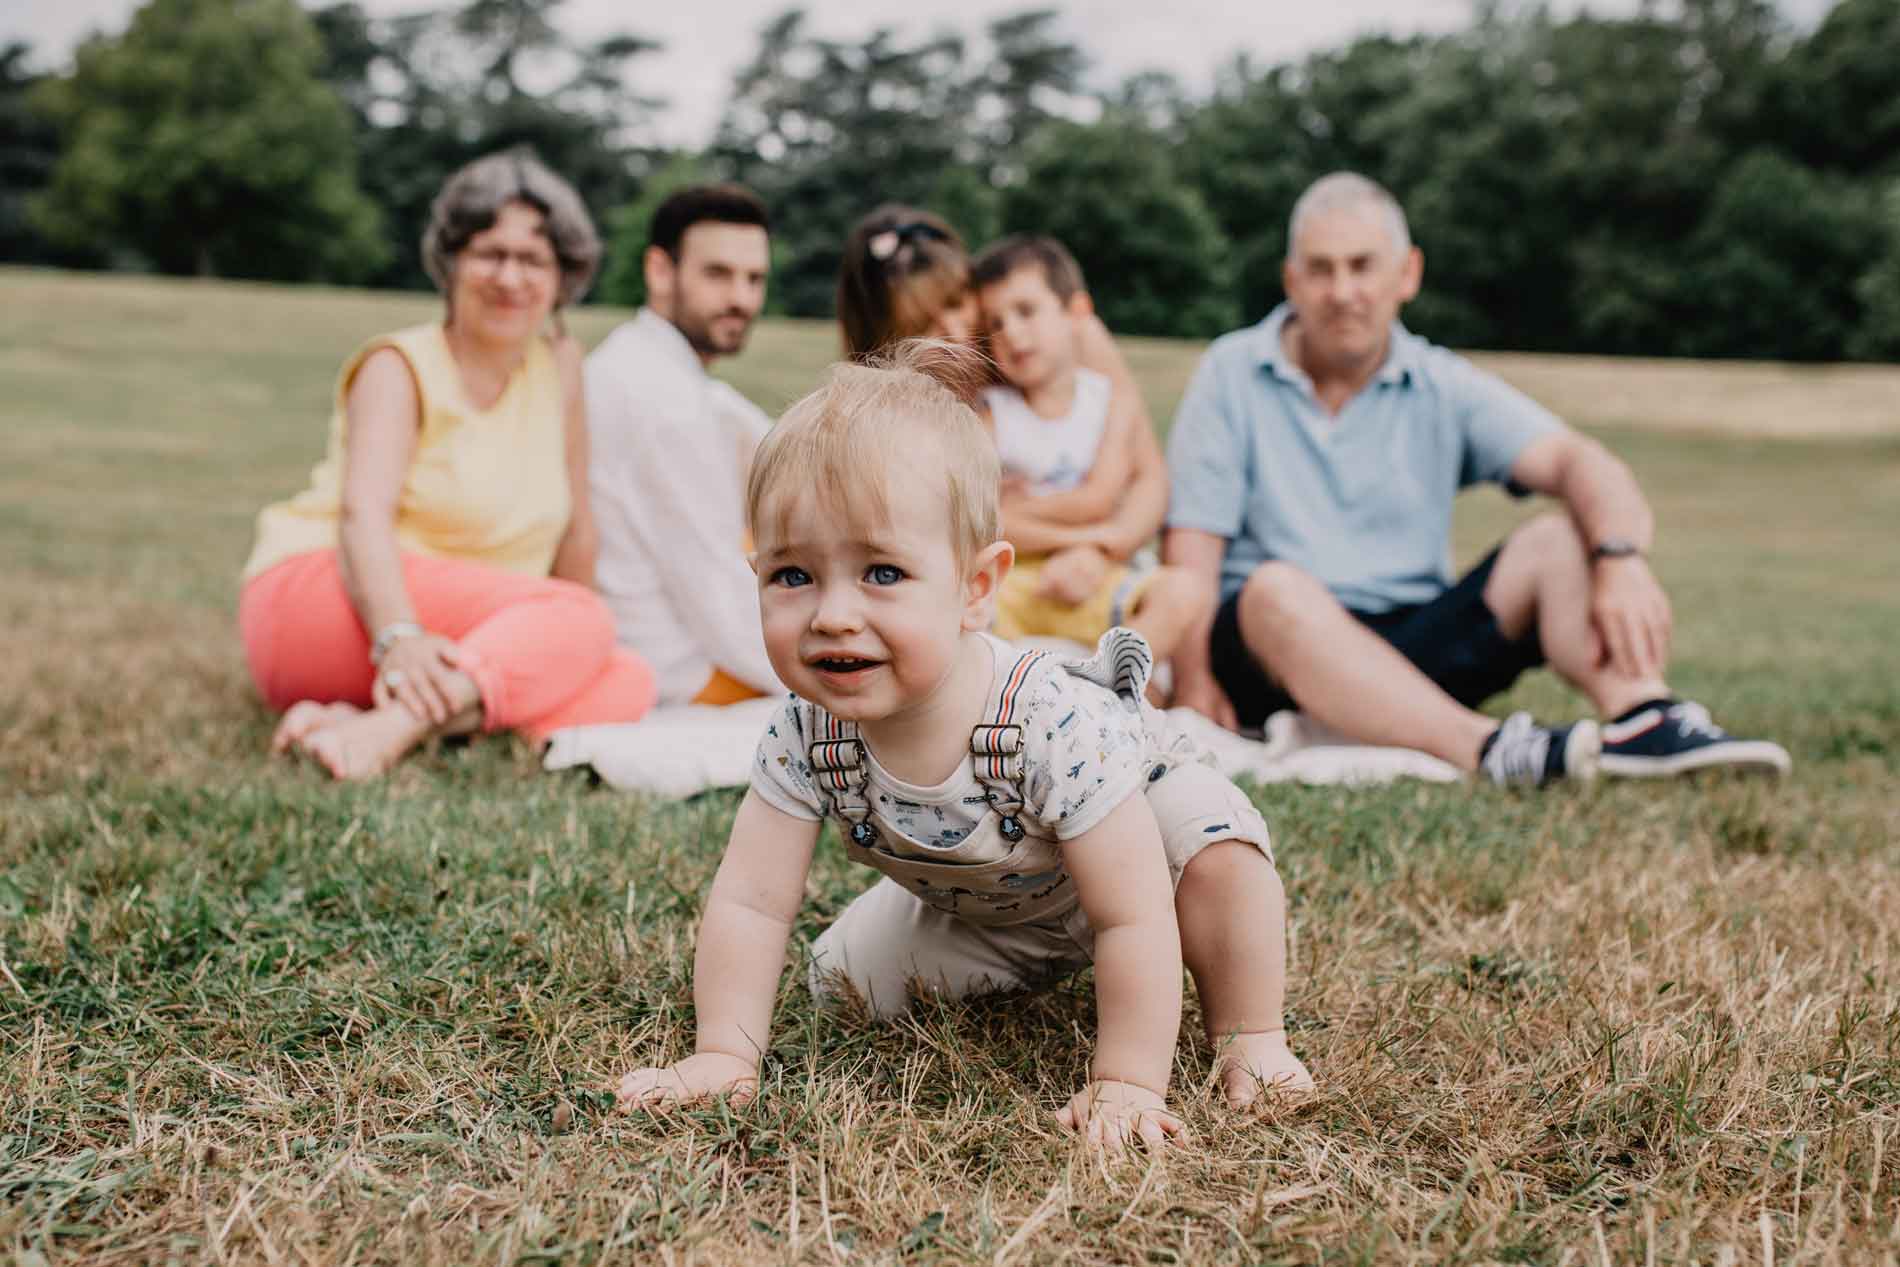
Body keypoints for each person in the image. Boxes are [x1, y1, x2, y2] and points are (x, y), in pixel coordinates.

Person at [615, 342, 1310, 1149]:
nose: (833, 615)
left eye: (881, 573)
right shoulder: (805, 732)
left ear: (976, 589)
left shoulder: (1046, 720)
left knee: (1217, 850)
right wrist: (722, 1053)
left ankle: (1251, 1034)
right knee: (844, 981)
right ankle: (1034, 962)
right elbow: (751, 900)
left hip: (1145, 856)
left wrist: (1126, 1082)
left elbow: (1130, 912)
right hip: (1004, 905)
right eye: (793, 575)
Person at [1163, 172, 1791, 785]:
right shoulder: (1231, 372)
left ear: (1407, 274)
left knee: (1558, 539)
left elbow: (1578, 461)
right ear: (1291, 280)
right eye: (1321, 269)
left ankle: (1645, 716)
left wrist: (1620, 558)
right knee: (1274, 590)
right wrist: (1193, 682)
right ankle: (1492, 749)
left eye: (1362, 266)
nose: (1343, 290)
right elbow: (1192, 548)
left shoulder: (1442, 383)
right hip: (1271, 653)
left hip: (1414, 646)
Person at [240, 149, 656, 779]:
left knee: (626, 679)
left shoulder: (561, 366)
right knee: (583, 624)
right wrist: (398, 636)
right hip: (334, 598)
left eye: (532, 260)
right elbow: (362, 517)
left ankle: (368, 724)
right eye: (490, 253)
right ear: (451, 262)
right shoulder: (397, 366)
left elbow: (577, 528)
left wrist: (571, 645)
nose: (510, 277)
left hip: (464, 633)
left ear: (562, 276)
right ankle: (406, 721)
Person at [835, 206, 1174, 651]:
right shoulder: (897, 411)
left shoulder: (1061, 338)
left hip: (1096, 562)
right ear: (887, 341)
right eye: (923, 326)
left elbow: (1148, 476)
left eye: (956, 303)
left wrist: (1100, 549)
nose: (955, 332)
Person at [585, 184, 784, 709]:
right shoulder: (663, 401)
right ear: (660, 271)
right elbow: (715, 593)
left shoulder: (644, 365)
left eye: (754, 279)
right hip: (681, 668)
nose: (741, 299)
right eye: (718, 274)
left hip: (678, 643)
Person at [968, 235, 1205, 662]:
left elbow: (1100, 498)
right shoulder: (992, 412)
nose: (1011, 333)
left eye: (1026, 311)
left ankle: (1106, 682)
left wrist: (1025, 514)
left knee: (1183, 592)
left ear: (1076, 313)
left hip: (1098, 577)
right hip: (1015, 582)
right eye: (995, 323)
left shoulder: (1112, 401)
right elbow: (986, 522)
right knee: (956, 608)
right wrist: (1086, 534)